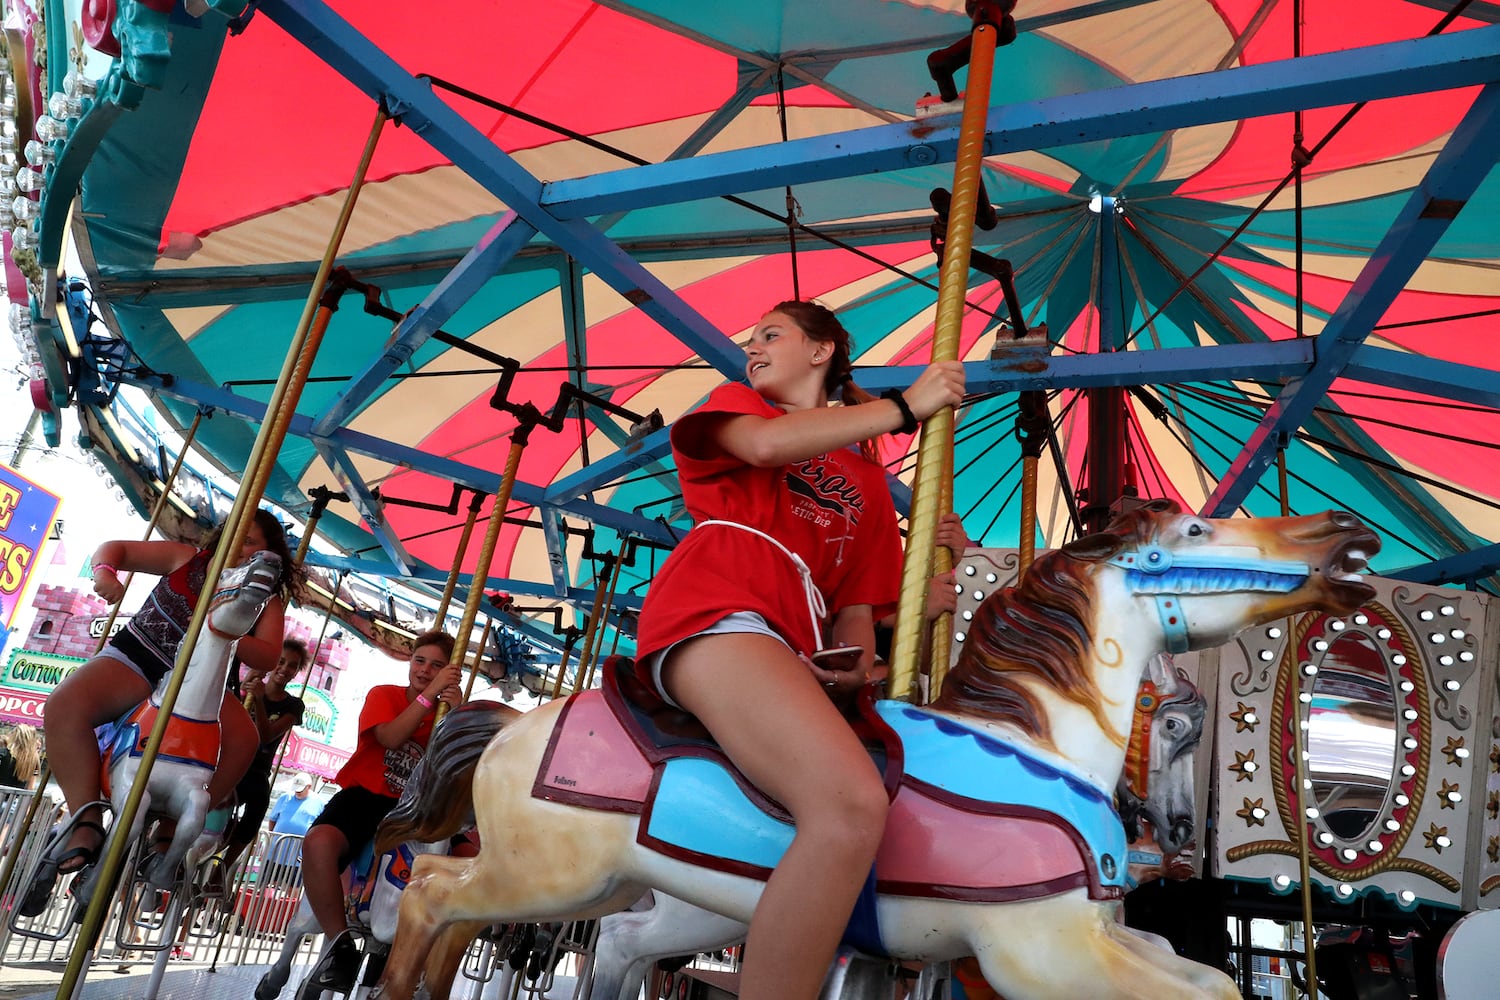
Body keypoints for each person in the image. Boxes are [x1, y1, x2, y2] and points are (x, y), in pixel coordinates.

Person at [633, 300, 965, 1000]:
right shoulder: (735, 408)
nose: (751, 346)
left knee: (893, 792)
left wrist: (856, 667)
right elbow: (764, 448)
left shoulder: (871, 484)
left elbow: (851, 608)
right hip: (719, 607)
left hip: (796, 638)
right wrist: (906, 408)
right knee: (848, 804)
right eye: (750, 336)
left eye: (771, 334)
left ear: (822, 351)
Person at [29, 509, 294, 913]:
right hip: (140, 658)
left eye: (252, 542)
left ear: (268, 554)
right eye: (236, 535)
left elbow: (270, 652)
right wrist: (105, 572)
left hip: (200, 678)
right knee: (64, 706)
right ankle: (86, 821)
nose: (240, 547)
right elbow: (116, 549)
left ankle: (171, 829)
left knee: (245, 739)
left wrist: (221, 631)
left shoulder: (263, 598)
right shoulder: (185, 558)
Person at [300, 631, 462, 991]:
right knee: (317, 842)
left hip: (415, 808)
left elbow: (459, 767)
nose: (425, 669)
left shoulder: (447, 712)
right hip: (366, 797)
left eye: (437, 665)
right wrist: (429, 693)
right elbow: (390, 738)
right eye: (420, 660)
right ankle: (339, 946)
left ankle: (425, 959)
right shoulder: (384, 695)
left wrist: (458, 713)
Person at [214, 638, 310, 886]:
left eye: (292, 665)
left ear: (297, 672)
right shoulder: (247, 689)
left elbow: (266, 738)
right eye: (280, 661)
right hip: (228, 759)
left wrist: (257, 699)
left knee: (259, 803)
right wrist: (247, 692)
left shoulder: (293, 705)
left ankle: (223, 869)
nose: (284, 669)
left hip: (255, 768)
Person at [0, 723, 42, 788]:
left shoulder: (2, 754)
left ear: (14, 737)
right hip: (17, 797)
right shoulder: (34, 761)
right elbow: (31, 787)